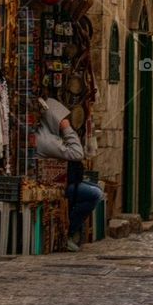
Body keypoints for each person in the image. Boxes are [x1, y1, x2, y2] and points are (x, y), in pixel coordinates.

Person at [36, 97, 103, 252]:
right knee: (94, 193)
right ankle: (68, 232)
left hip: (62, 181)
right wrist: (66, 128)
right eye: (61, 119)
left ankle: (74, 232)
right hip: (53, 185)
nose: (65, 121)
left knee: (95, 187)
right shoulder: (46, 140)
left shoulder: (49, 134)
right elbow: (77, 153)